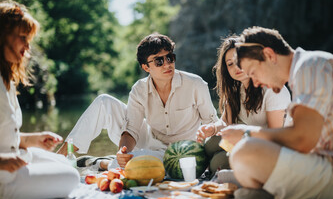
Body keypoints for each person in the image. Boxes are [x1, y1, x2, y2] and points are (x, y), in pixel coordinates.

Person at [219, 26, 333, 199]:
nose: (255, 82)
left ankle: (275, 196)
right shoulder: (306, 69)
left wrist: (247, 133)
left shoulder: (310, 66)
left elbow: (302, 139)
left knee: (245, 152)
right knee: (243, 157)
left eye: (253, 72)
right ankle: (275, 195)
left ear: (269, 55)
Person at [57, 33, 218, 170]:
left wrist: (210, 154)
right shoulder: (139, 89)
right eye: (159, 61)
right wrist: (123, 151)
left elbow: (212, 123)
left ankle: (103, 163)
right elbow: (131, 129)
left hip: (184, 151)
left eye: (170, 57)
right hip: (150, 141)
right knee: (103, 101)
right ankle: (59, 158)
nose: (167, 64)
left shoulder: (195, 84)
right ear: (146, 67)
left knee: (135, 166)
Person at [0, 0, 79, 199]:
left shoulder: (5, 78)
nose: (28, 47)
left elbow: (4, 135)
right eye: (23, 38)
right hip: (4, 178)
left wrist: (32, 139)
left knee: (66, 164)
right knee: (72, 178)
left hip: (14, 158)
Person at [196, 36, 291, 174]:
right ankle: (216, 169)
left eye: (238, 60)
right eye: (230, 64)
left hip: (270, 148)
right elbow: (225, 122)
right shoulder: (236, 90)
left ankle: (218, 169)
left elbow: (274, 136)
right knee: (210, 145)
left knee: (217, 162)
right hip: (248, 141)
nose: (236, 67)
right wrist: (212, 128)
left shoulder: (271, 88)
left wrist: (241, 138)